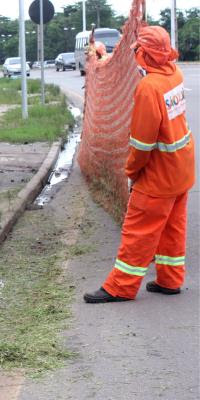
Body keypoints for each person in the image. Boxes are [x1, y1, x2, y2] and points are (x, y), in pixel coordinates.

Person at [84, 26, 195, 303]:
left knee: (138, 232)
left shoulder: (148, 88)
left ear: (145, 53)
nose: (135, 55)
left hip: (158, 177)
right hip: (181, 170)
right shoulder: (174, 74)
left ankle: (120, 287)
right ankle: (170, 280)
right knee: (172, 228)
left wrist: (131, 172)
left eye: (137, 50)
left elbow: (143, 143)